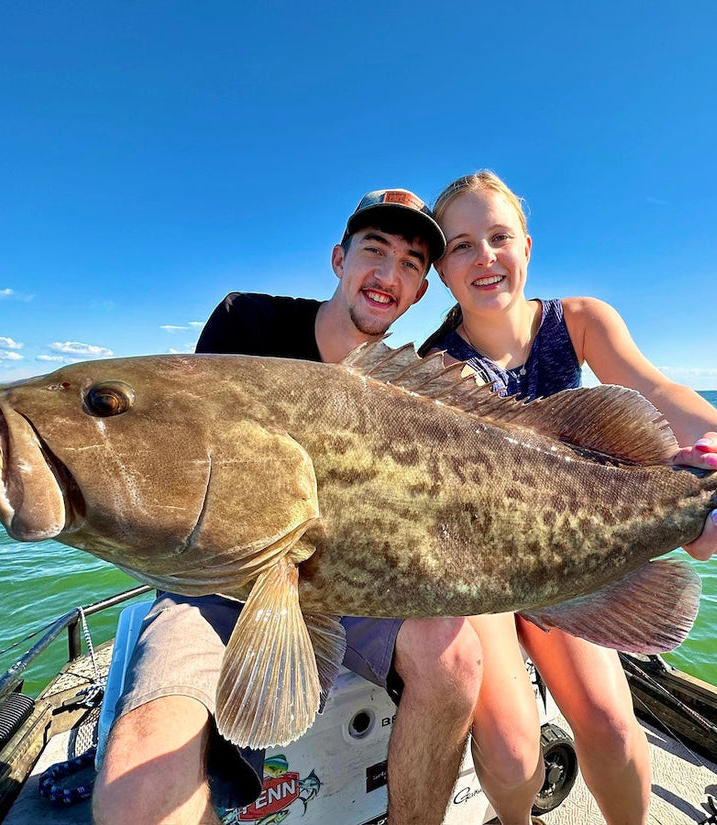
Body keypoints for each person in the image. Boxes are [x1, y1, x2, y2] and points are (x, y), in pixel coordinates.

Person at [418, 170, 717, 825]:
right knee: (513, 753)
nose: (484, 256)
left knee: (611, 725)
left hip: (573, 551)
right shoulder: (436, 369)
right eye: (460, 245)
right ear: (442, 270)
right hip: (482, 565)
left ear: (527, 248)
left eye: (498, 236)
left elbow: (658, 391)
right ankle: (518, 820)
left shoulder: (579, 319)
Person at [92, 189, 485, 825]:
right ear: (338, 258)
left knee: (457, 659)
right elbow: (185, 457)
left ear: (419, 294)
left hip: (351, 584)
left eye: (412, 264)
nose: (388, 275)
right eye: (374, 250)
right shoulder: (246, 325)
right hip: (223, 580)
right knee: (139, 785)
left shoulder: (414, 390)